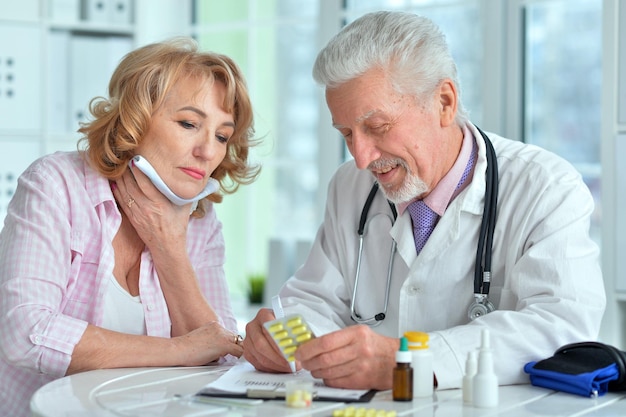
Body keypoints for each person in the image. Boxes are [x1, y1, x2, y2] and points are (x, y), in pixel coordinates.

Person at [243, 11, 606, 392]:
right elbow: (314, 299)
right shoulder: (350, 186)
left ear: (444, 102)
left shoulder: (545, 187)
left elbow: (562, 325)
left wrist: (412, 361)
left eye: (377, 127)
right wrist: (284, 338)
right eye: (347, 133)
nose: (362, 157)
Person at [0, 37, 260, 416]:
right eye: (189, 123)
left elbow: (218, 357)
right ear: (134, 121)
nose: (208, 151)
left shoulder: (201, 220)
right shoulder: (55, 184)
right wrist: (179, 350)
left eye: (222, 135)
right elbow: (25, 333)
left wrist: (169, 246)